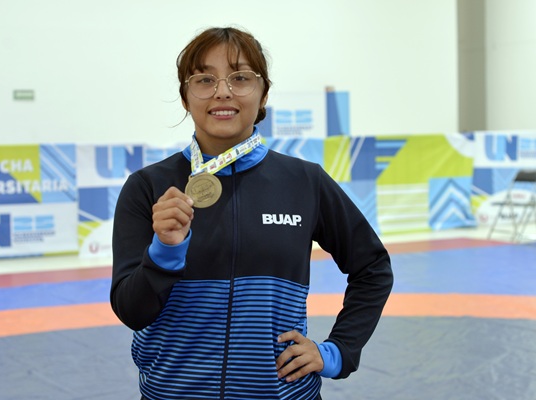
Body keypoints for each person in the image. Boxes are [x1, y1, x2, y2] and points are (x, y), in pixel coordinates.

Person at [110, 26, 393, 400]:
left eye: (240, 77)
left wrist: (338, 351)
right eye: (204, 79)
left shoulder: (304, 182)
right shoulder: (148, 188)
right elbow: (132, 311)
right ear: (185, 97)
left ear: (264, 95)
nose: (222, 91)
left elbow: (372, 267)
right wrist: (164, 251)